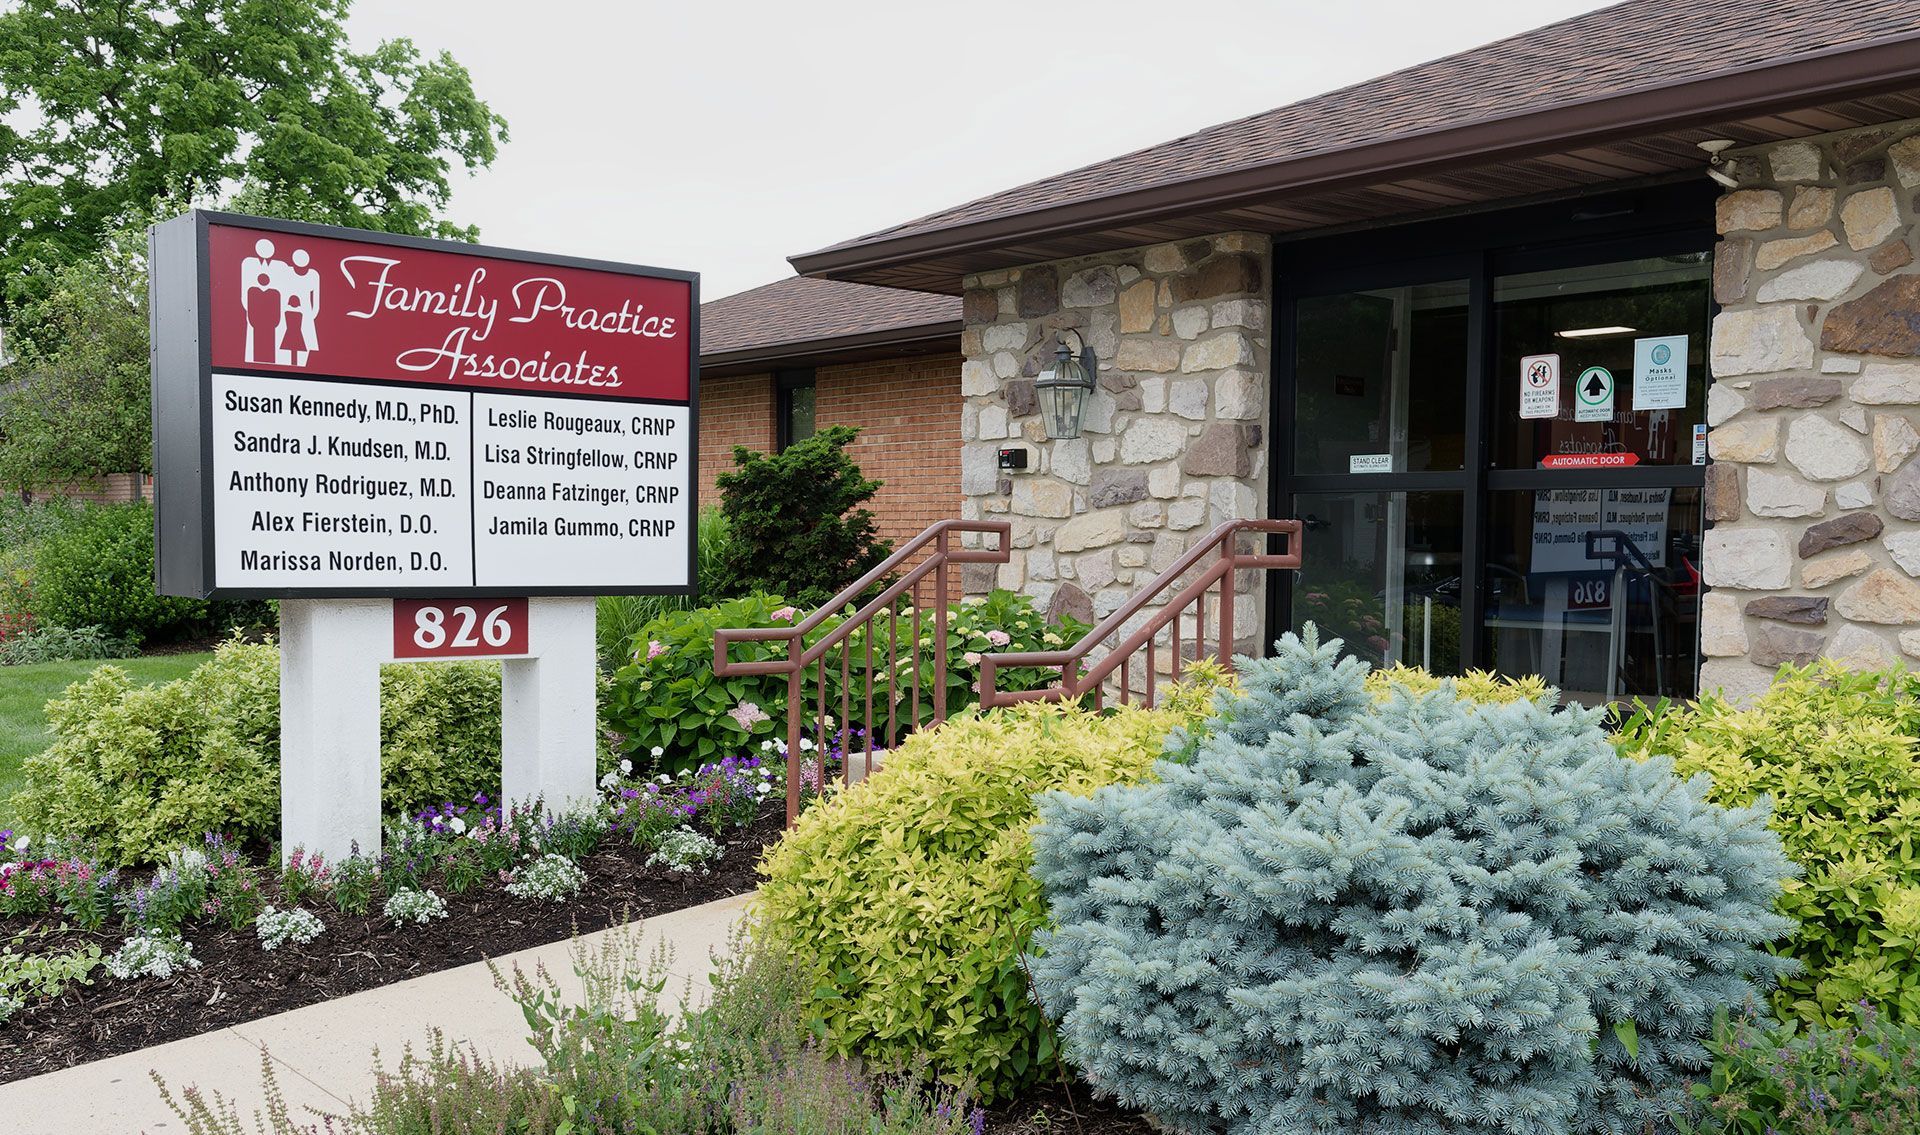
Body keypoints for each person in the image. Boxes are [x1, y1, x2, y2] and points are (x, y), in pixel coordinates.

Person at [245, 271, 282, 365]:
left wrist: (274, 323)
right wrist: (254, 322)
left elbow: (276, 309)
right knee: (258, 346)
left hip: (270, 325)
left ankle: (269, 361)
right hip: (258, 324)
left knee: (269, 346)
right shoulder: (252, 291)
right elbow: (251, 308)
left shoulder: (275, 293)